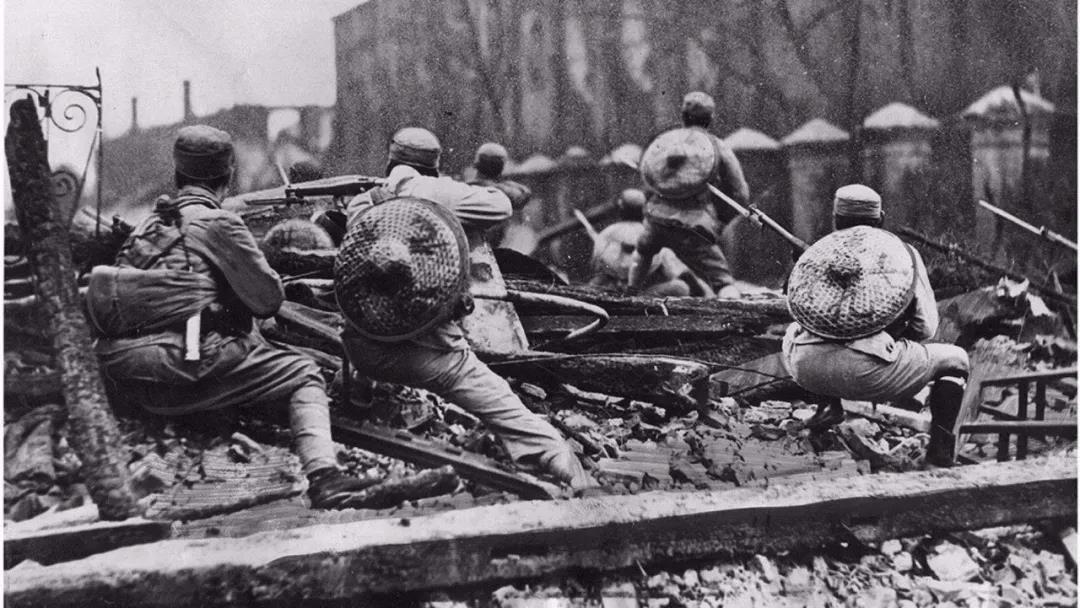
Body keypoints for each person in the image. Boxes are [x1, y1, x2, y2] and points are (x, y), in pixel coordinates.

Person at [86, 125, 378, 509]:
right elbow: (267, 301)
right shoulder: (218, 222)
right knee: (303, 372)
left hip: (126, 372)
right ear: (228, 175)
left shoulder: (148, 224)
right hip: (183, 369)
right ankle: (326, 478)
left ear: (178, 174)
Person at [342, 127, 592, 488]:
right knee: (498, 401)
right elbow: (501, 206)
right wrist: (475, 190)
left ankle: (359, 397)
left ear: (390, 162)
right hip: (432, 351)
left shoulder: (362, 203)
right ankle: (559, 462)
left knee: (369, 312)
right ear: (433, 166)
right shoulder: (439, 192)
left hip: (364, 349)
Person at [781, 184, 970, 467]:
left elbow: (796, 307)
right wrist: (889, 333)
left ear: (836, 219)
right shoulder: (903, 254)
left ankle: (826, 407)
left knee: (797, 333)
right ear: (880, 219)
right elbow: (926, 328)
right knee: (957, 360)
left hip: (804, 366)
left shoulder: (819, 254)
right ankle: (939, 456)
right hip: (868, 374)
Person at [629, 91, 750, 298]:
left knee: (642, 252)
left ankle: (630, 293)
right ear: (710, 118)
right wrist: (720, 222)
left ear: (683, 116)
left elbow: (648, 182)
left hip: (656, 222)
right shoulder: (717, 146)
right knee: (721, 280)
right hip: (694, 227)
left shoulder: (665, 143)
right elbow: (740, 193)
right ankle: (734, 311)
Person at [590, 188, 712, 297]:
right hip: (641, 293)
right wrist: (702, 293)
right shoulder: (650, 234)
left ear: (620, 209)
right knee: (681, 287)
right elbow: (682, 273)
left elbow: (596, 264)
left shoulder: (607, 233)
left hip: (612, 290)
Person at [467, 142, 532, 247]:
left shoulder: (466, 189)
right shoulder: (505, 192)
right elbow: (523, 194)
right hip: (497, 247)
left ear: (477, 165)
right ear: (501, 168)